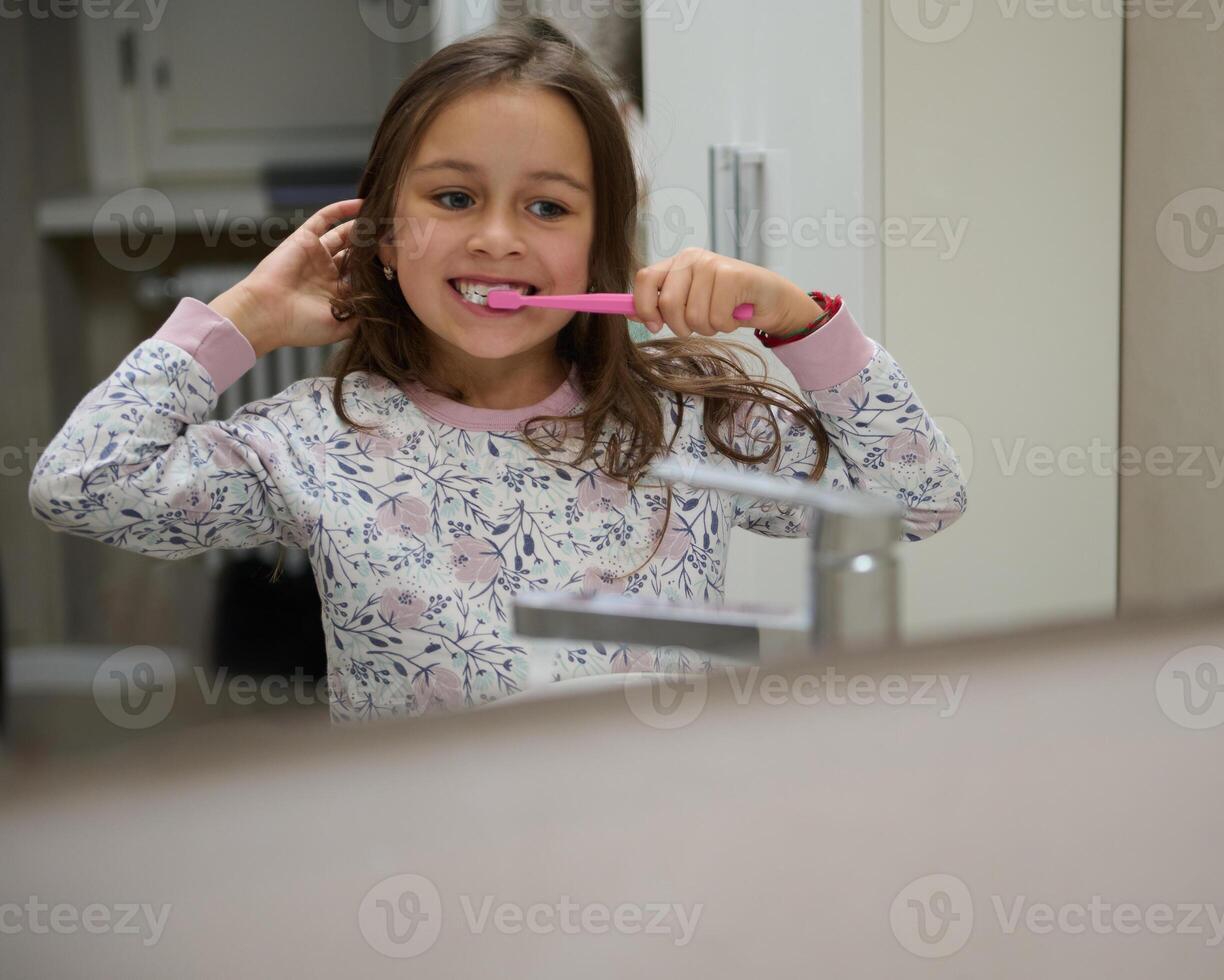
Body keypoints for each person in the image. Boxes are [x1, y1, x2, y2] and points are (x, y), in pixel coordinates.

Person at [28, 18, 967, 725]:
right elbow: (83, 484)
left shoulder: (685, 420)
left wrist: (800, 324)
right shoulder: (313, 441)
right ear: (384, 234)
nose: (495, 238)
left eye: (548, 208)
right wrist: (245, 317)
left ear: (602, 244)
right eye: (452, 197)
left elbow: (918, 498)